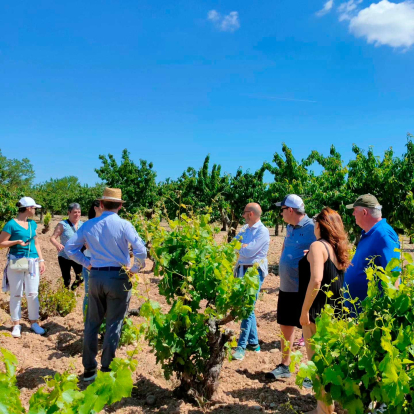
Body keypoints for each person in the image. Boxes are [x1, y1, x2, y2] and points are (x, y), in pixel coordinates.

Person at [65, 188, 147, 381]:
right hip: (119, 277)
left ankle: (89, 370)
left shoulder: (88, 225)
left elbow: (70, 248)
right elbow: (141, 251)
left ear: (101, 205)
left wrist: (87, 263)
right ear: (120, 205)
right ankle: (107, 368)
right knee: (114, 324)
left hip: (95, 277)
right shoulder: (125, 225)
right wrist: (134, 269)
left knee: (92, 323)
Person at [299, 207, 350, 414]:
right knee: (330, 364)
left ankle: (324, 411)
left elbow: (317, 279)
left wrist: (304, 311)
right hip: (335, 314)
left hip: (317, 314)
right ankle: (325, 408)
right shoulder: (336, 249)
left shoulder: (317, 246)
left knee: (317, 365)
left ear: (320, 225)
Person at [266, 194, 316, 380]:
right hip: (287, 286)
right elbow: (286, 246)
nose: (280, 214)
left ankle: (314, 374)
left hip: (305, 288)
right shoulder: (289, 227)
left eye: (282, 210)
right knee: (285, 325)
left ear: (290, 210)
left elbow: (326, 247)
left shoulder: (313, 227)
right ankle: (285, 365)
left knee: (310, 330)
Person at [344, 194, 400, 316]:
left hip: (372, 318)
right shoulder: (368, 233)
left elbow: (393, 274)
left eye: (355, 211)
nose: (353, 214)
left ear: (364, 212)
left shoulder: (383, 234)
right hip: (359, 315)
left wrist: (388, 316)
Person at [0, 197, 46, 338]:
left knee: (33, 293)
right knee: (16, 293)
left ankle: (34, 322)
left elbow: (36, 243)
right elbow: (1, 243)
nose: (35, 210)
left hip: (32, 261)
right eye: (34, 208)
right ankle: (16, 324)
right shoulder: (11, 225)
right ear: (27, 208)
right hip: (17, 260)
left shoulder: (32, 224)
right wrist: (16, 242)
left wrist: (41, 259)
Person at [232, 203, 270, 361]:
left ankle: (241, 346)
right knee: (247, 305)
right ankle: (254, 344)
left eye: (245, 212)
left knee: (247, 307)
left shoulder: (263, 231)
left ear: (252, 214)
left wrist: (242, 247)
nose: (242, 215)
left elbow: (249, 251)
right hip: (242, 269)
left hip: (254, 272)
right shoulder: (244, 229)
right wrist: (243, 247)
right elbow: (234, 245)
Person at [50, 203, 84, 290]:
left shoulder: (83, 225)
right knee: (66, 280)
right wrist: (57, 244)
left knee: (81, 277)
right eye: (75, 212)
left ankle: (72, 290)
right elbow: (52, 238)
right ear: (69, 212)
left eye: (79, 212)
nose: (77, 214)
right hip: (64, 256)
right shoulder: (62, 224)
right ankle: (65, 296)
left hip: (78, 256)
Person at [81, 200, 104, 316]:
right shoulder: (88, 225)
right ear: (96, 208)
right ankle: (87, 321)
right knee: (89, 293)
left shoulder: (106, 224)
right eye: (102, 206)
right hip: (90, 260)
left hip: (104, 262)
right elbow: (87, 245)